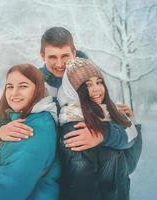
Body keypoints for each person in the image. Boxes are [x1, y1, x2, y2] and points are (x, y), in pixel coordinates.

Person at [0, 27, 137, 152]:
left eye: (65, 56)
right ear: (42, 56)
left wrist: (107, 130)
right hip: (52, 168)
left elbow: (130, 133)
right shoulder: (35, 85)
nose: (60, 63)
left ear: (74, 53)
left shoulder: (95, 80)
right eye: (53, 57)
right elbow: (8, 119)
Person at [0, 64, 60, 200]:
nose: (14, 93)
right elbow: (6, 157)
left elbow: (7, 190)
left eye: (23, 86)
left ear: (38, 89)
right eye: (10, 86)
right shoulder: (24, 120)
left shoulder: (32, 129)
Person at [58, 58, 142, 200]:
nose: (96, 89)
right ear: (73, 90)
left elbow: (129, 164)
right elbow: (81, 189)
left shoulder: (108, 114)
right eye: (88, 85)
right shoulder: (75, 127)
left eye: (99, 82)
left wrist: (128, 121)